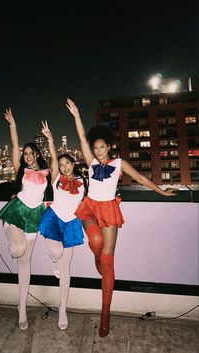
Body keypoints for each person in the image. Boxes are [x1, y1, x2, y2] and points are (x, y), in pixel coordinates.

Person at [66, 98, 177, 338]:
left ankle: (105, 312)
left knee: (109, 262)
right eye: (95, 148)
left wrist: (162, 191)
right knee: (95, 241)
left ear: (109, 146)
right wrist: (76, 114)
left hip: (109, 210)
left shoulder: (119, 164)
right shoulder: (92, 163)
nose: (97, 151)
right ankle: (96, 256)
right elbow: (82, 139)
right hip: (90, 208)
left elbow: (142, 179)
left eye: (101, 147)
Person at [0, 108, 50, 331]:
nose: (28, 155)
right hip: (16, 212)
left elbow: (58, 164)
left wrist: (51, 139)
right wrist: (13, 124)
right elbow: (14, 144)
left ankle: (22, 309)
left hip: (34, 216)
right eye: (25, 153)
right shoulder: (22, 168)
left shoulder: (46, 170)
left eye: (31, 152)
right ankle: (13, 251)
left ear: (37, 154)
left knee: (25, 265)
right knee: (18, 250)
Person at [38, 121, 86, 330]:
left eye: (68, 163)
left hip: (71, 223)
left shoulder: (83, 181)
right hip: (54, 219)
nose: (65, 166)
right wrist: (50, 139)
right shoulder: (56, 179)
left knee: (66, 270)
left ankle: (62, 308)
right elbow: (52, 158)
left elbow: (87, 204)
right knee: (56, 254)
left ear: (73, 165)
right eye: (62, 164)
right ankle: (53, 259)